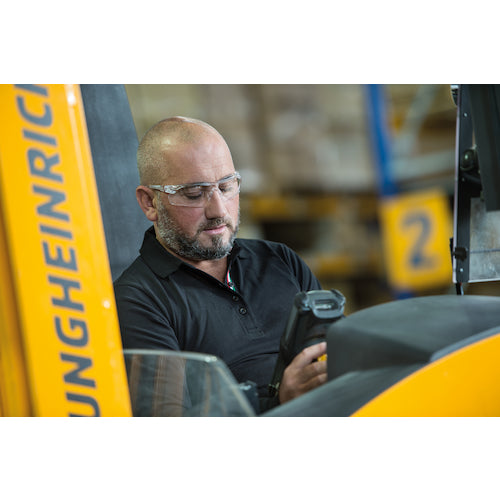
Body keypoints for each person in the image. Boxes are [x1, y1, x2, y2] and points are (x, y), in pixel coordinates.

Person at [114, 116, 328, 414]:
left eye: (226, 187)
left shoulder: (280, 261)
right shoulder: (138, 300)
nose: (218, 210)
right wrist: (280, 401)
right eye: (194, 194)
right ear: (150, 202)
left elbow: (337, 357)